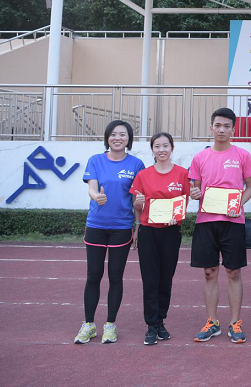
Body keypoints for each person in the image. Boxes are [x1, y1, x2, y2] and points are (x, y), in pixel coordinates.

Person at [189, 108, 251, 344]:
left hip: (233, 221)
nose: (221, 130)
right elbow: (195, 189)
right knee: (209, 272)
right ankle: (212, 322)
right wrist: (194, 193)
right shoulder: (200, 158)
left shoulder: (242, 155)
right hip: (206, 222)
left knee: (233, 272)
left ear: (233, 129)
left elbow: (250, 187)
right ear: (211, 128)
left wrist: (239, 204)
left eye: (226, 126)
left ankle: (235, 322)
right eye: (217, 125)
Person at [74, 120, 144, 344]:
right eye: (113, 134)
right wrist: (97, 197)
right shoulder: (95, 160)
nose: (117, 138)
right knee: (93, 275)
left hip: (121, 227)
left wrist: (137, 226)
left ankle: (110, 325)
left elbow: (136, 200)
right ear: (107, 138)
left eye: (122, 134)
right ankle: (88, 325)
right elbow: (92, 188)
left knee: (115, 277)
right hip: (96, 225)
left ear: (129, 139)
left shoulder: (136, 164)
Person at [130, 132, 190, 345]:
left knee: (166, 278)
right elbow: (137, 207)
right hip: (148, 232)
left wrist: (177, 216)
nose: (162, 150)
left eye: (165, 146)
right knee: (150, 279)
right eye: (157, 146)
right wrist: (138, 204)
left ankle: (161, 321)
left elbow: (184, 202)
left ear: (172, 148)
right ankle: (151, 325)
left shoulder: (182, 174)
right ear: (152, 150)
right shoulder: (143, 175)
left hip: (171, 232)